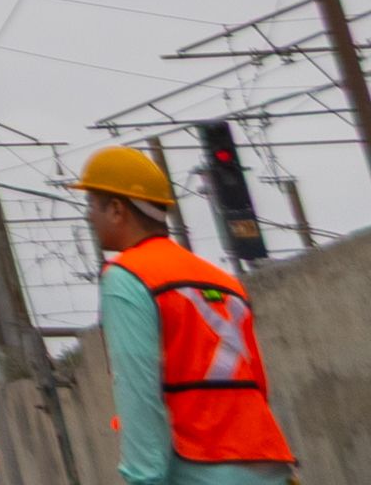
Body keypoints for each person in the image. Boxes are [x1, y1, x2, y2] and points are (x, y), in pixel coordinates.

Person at [77, 142, 293, 481]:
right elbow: (257, 383)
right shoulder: (224, 281)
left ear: (117, 210)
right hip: (269, 464)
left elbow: (137, 388)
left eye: (91, 204)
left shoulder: (128, 277)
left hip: (199, 467)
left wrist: (143, 479)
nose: (88, 216)